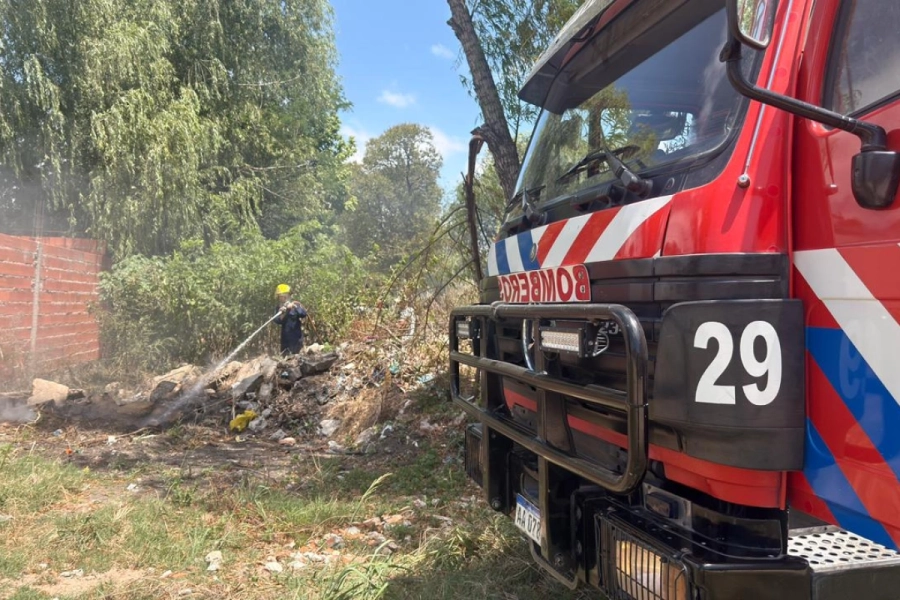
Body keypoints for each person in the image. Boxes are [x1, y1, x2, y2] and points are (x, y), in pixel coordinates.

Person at [273, 284, 308, 356]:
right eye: (280, 297)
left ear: (287, 296)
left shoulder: (295, 305)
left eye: (283, 296)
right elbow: (277, 321)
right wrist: (283, 313)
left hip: (296, 338)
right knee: (285, 359)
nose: (281, 298)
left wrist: (294, 307)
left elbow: (303, 314)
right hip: (285, 340)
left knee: (297, 359)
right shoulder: (278, 308)